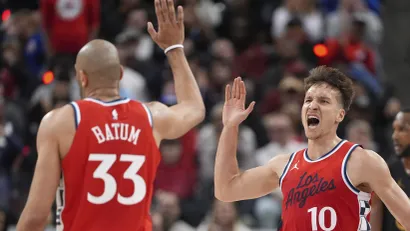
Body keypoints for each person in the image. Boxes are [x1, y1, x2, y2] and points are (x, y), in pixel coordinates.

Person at [16, 0, 205, 230]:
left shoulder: (59, 122)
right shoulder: (151, 116)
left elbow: (36, 216)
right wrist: (174, 50)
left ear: (82, 78)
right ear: (121, 74)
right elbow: (195, 108)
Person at [214, 67, 410, 231]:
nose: (312, 106)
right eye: (308, 100)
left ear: (340, 115)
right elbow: (226, 190)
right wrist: (230, 127)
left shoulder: (361, 161)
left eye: (323, 101)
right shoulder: (283, 165)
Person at [371, 109, 410, 231]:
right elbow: (374, 221)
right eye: (394, 129)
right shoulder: (386, 172)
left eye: (402, 129)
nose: (395, 136)